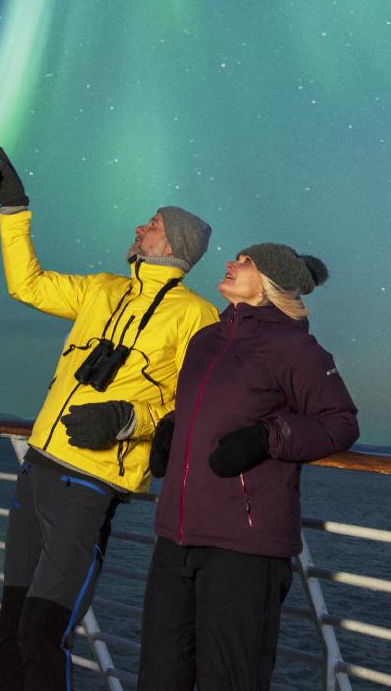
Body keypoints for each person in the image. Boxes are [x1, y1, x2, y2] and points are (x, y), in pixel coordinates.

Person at [0, 146, 221, 691]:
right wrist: (14, 209)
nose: (139, 227)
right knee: (10, 631)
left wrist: (127, 418)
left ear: (175, 245)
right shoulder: (102, 289)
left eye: (153, 224)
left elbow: (196, 406)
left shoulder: (198, 317)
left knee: (43, 634)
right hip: (38, 470)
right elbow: (28, 285)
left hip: (87, 485)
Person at [137, 243, 358, 691]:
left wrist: (269, 436)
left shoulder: (295, 347)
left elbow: (340, 423)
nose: (230, 264)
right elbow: (211, 409)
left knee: (231, 681)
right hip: (177, 535)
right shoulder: (207, 340)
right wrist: (172, 427)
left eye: (246, 261)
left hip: (245, 546)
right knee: (160, 677)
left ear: (271, 282)